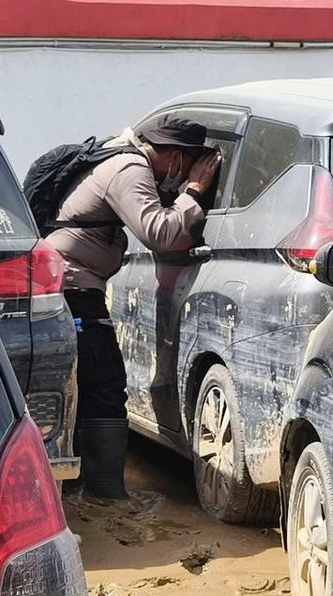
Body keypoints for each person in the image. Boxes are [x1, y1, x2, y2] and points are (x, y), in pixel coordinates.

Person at [46, 116, 221, 501]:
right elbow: (158, 233)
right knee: (105, 383)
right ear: (176, 157)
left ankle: (78, 486)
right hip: (73, 287)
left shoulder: (122, 158)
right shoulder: (129, 168)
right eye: (188, 165)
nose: (181, 175)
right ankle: (105, 494)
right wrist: (192, 191)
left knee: (88, 383)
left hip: (72, 284)